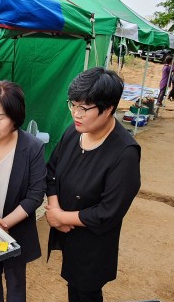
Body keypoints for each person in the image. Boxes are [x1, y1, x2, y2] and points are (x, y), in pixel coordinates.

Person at [45, 67, 141, 302]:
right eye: (73, 104)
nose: (75, 114)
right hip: (68, 232)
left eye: (84, 108)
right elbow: (52, 172)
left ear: (108, 109)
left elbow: (108, 212)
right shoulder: (74, 132)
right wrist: (54, 208)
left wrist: (62, 218)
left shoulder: (124, 153)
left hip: (94, 243)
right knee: (73, 285)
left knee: (86, 291)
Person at [0, 81, 46, 302]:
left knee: (15, 283)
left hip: (16, 229)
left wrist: (5, 224)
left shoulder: (32, 148)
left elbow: (35, 194)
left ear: (15, 116)